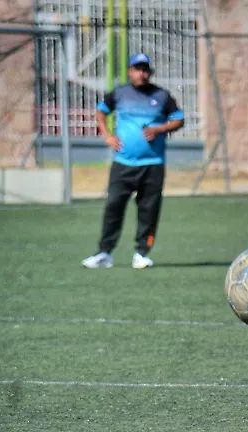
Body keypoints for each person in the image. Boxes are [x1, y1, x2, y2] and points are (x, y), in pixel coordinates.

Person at [83, 53, 185, 270]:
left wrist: (159, 129)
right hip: (123, 164)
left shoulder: (162, 96)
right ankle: (104, 253)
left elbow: (178, 119)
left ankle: (141, 253)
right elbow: (101, 112)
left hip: (153, 164)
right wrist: (107, 135)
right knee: (113, 207)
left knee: (149, 209)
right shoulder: (120, 93)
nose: (142, 73)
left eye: (145, 69)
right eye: (137, 69)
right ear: (130, 71)